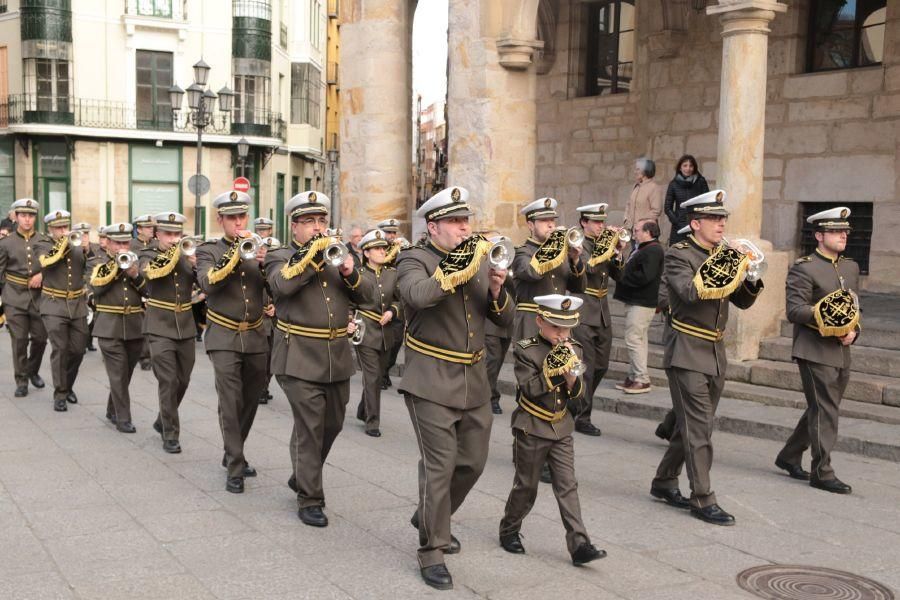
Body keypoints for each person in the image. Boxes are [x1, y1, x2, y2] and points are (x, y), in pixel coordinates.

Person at [397, 186, 513, 590]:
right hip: (430, 378)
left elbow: (505, 321)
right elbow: (417, 295)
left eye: (466, 221)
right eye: (455, 222)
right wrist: (456, 269)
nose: (465, 228)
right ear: (433, 227)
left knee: (473, 464)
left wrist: (498, 289)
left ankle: (432, 515)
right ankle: (432, 549)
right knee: (439, 466)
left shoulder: (479, 259)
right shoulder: (414, 258)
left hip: (474, 381)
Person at [650, 190, 764, 526]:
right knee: (699, 428)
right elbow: (688, 292)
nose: (721, 223)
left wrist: (751, 274)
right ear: (695, 223)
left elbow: (742, 302)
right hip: (686, 350)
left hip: (715, 351)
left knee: (692, 425)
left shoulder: (721, 254)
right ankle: (702, 497)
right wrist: (728, 261)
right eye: (714, 219)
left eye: (723, 218)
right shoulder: (678, 255)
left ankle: (663, 480)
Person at [265, 191, 374, 526]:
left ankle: (302, 472)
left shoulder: (339, 253)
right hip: (297, 354)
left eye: (321, 221)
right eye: (308, 222)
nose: (316, 228)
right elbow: (281, 287)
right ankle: (310, 497)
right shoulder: (279, 255)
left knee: (333, 424)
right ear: (294, 227)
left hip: (336, 355)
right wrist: (312, 257)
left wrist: (349, 271)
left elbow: (368, 294)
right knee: (311, 426)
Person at [499, 294, 606, 566]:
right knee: (526, 486)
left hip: (561, 427)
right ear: (539, 321)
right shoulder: (526, 349)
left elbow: (579, 398)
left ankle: (580, 544)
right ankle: (509, 529)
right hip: (532, 426)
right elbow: (530, 389)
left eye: (566, 328)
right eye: (555, 326)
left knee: (567, 486)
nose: (562, 334)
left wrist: (572, 377)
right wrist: (557, 371)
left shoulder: (576, 348)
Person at [775, 207, 859, 495]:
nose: (843, 235)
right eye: (836, 231)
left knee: (821, 408)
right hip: (813, 349)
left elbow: (854, 309)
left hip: (841, 350)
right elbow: (795, 310)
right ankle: (822, 472)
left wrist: (853, 331)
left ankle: (788, 455)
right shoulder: (804, 267)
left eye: (845, 231)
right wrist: (832, 321)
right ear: (819, 235)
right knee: (826, 409)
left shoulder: (850, 267)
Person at [196, 191, 269, 494]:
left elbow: (275, 288)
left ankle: (232, 452)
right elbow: (208, 284)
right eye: (232, 218)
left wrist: (267, 265)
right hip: (223, 334)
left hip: (255, 333)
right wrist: (238, 253)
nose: (239, 223)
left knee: (250, 400)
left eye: (242, 217)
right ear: (220, 220)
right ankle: (235, 465)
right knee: (230, 399)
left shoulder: (261, 249)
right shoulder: (208, 250)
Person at [139, 212, 197, 454]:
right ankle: (170, 433)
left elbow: (206, 283)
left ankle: (162, 418)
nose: (174, 239)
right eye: (168, 234)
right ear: (157, 234)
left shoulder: (188, 254)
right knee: (169, 380)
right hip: (159, 325)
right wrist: (178, 255)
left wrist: (197, 265)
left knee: (183, 380)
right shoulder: (147, 254)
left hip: (185, 324)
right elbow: (148, 271)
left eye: (177, 234)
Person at [570, 203, 624, 436]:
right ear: (584, 222)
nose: (601, 226)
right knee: (588, 368)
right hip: (583, 311)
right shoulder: (577, 243)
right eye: (597, 222)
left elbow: (620, 275)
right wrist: (607, 245)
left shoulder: (605, 245)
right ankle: (582, 416)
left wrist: (619, 250)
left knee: (602, 366)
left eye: (603, 222)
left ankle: (574, 405)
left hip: (602, 312)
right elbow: (589, 268)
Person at [90, 223, 147, 433]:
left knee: (126, 373)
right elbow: (95, 289)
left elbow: (149, 291)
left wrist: (135, 275)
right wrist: (116, 267)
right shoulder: (98, 262)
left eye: (125, 242)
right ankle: (124, 418)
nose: (122, 247)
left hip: (134, 325)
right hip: (109, 326)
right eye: (117, 243)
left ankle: (111, 409)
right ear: (109, 243)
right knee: (118, 373)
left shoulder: (138, 261)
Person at [36, 210, 89, 412]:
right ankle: (60, 393)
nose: (63, 231)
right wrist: (64, 243)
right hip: (53, 303)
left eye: (65, 227)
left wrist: (86, 250)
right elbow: (46, 260)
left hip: (77, 304)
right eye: (58, 228)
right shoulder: (42, 244)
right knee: (60, 348)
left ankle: (67, 386)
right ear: (50, 229)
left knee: (78, 349)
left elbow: (90, 266)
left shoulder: (77, 244)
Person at [512, 197, 586, 342]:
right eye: (544, 221)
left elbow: (579, 287)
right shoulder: (522, 252)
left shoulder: (559, 252)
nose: (551, 225)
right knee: (530, 364)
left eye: (552, 220)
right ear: (530, 225)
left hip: (559, 322)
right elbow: (532, 273)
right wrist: (554, 247)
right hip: (531, 322)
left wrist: (575, 259)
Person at [353, 228, 401, 437]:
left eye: (384, 247)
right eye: (377, 248)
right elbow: (348, 300)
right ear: (366, 253)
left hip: (386, 332)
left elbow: (401, 300)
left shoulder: (393, 274)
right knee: (373, 378)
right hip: (365, 331)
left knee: (379, 374)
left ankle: (364, 410)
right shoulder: (358, 275)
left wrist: (393, 311)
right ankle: (372, 422)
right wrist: (348, 320)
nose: (382, 251)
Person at [0, 198, 49, 397]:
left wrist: (42, 275)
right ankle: (21, 380)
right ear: (16, 217)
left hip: (39, 297)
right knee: (19, 340)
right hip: (14, 297)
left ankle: (32, 370)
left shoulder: (44, 241)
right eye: (23, 216)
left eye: (30, 216)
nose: (27, 220)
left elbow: (54, 267)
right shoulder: (6, 243)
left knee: (40, 338)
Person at [613, 219, 665, 395]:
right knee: (639, 340)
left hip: (642, 302)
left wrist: (622, 277)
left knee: (634, 340)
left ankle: (641, 379)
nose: (633, 234)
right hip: (638, 301)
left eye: (636, 231)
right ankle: (634, 376)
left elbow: (645, 276)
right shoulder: (644, 248)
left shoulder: (653, 250)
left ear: (648, 232)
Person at [481, 229, 513, 415]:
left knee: (498, 361)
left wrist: (508, 274)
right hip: (490, 322)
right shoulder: (485, 266)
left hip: (507, 320)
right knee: (492, 360)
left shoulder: (507, 264)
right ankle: (489, 397)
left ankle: (491, 394)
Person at [378, 218, 404, 389]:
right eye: (388, 232)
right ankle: (380, 374)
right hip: (382, 301)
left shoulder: (400, 249)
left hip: (398, 300)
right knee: (383, 343)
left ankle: (386, 369)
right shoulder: (376, 249)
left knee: (396, 341)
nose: (392, 236)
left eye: (394, 232)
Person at [253, 216, 276, 405]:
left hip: (275, 320)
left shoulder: (278, 266)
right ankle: (260, 388)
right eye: (259, 230)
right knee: (261, 356)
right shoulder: (253, 265)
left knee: (271, 359)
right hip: (258, 319)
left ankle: (265, 385)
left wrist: (276, 306)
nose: (262, 233)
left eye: (265, 230)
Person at [664, 154, 710, 246]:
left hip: (697, 225)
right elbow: (667, 208)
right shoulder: (673, 184)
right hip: (678, 227)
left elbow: (707, 203)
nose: (688, 168)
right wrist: (677, 221)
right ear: (680, 168)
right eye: (685, 165)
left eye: (691, 166)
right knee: (677, 254)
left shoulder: (701, 182)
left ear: (694, 167)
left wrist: (700, 220)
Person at [131, 214, 156, 371]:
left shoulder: (156, 244)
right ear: (139, 229)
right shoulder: (131, 245)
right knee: (141, 325)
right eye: (147, 227)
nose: (151, 229)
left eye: (152, 227)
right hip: (138, 288)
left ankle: (150, 355)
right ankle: (144, 356)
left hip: (154, 289)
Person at [623, 158, 664, 233]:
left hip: (646, 232)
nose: (635, 172)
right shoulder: (635, 186)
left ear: (645, 171)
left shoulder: (654, 188)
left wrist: (642, 224)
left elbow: (656, 211)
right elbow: (628, 204)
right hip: (632, 231)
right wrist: (626, 219)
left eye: (637, 169)